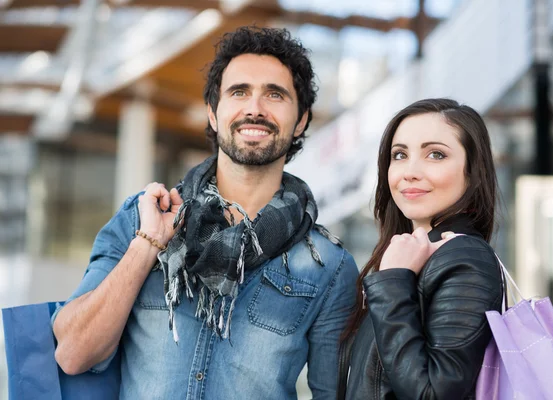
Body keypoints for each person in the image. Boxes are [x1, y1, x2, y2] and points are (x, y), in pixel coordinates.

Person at [52, 26, 359, 400]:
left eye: (274, 95)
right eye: (239, 91)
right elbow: (72, 353)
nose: (255, 108)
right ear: (213, 113)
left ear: (301, 120)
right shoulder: (142, 217)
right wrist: (148, 244)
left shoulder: (329, 265)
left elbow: (336, 395)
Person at [339, 98, 504, 399]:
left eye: (436, 155)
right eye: (399, 155)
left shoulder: (465, 258)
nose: (410, 171)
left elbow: (432, 393)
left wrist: (393, 282)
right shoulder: (419, 256)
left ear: (472, 172)